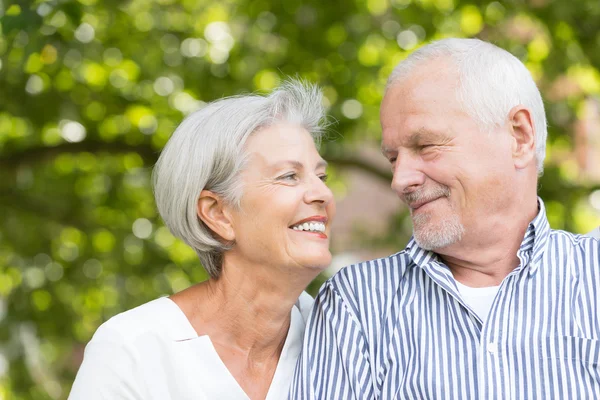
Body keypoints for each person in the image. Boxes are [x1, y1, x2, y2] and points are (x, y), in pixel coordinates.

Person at [291, 38, 600, 399]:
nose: (400, 180)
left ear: (519, 137)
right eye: (393, 158)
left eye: (426, 146)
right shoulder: (356, 304)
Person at [69, 79, 336, 400]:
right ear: (218, 214)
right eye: (289, 176)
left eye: (321, 176)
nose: (322, 193)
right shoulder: (133, 351)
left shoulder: (344, 337)